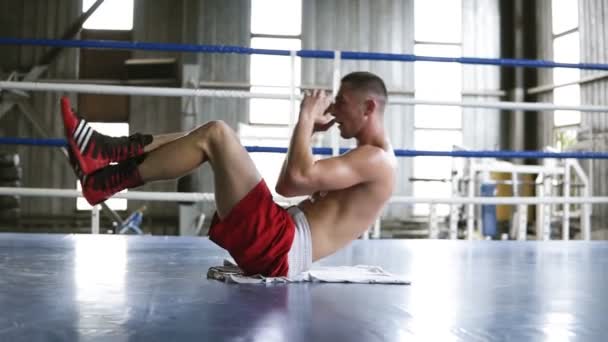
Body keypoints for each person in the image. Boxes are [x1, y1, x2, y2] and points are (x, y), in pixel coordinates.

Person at [61, 71, 397, 277]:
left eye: (342, 101)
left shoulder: (375, 160)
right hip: (279, 240)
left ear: (368, 107)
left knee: (217, 135)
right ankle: (106, 158)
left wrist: (306, 120)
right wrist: (307, 132)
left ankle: (107, 170)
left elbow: (292, 182)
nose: (334, 109)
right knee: (209, 135)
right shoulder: (368, 158)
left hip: (281, 247)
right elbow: (292, 183)